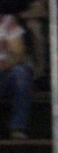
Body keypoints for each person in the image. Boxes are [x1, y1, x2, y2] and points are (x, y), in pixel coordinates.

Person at [0, 0, 47, 78]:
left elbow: (40, 10)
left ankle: (38, 73)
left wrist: (17, 17)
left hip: (20, 21)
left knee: (36, 27)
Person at [0, 11, 34, 139]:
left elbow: (18, 53)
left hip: (4, 71)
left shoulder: (7, 21)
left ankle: (17, 126)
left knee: (21, 72)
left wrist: (3, 66)